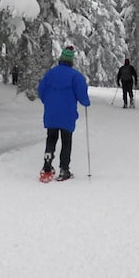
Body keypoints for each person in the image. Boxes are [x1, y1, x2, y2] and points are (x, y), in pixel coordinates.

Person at [36, 45, 90, 180]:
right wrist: (86, 102)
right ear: (71, 61)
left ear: (61, 59)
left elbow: (41, 90)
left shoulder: (50, 73)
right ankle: (64, 170)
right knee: (66, 141)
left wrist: (49, 102)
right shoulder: (75, 76)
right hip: (67, 114)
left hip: (51, 113)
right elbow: (82, 95)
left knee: (51, 138)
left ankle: (47, 166)